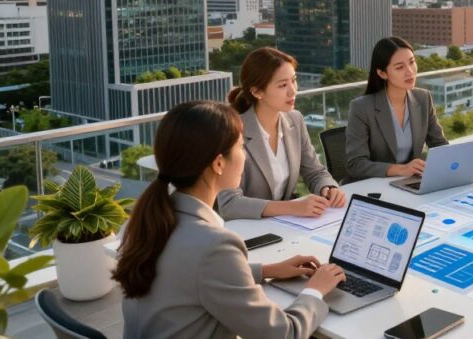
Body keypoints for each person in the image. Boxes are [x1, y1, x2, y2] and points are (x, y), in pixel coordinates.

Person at [114, 101, 346, 339]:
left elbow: (188, 274)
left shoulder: (151, 221)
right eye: (241, 147)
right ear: (218, 163)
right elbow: (283, 334)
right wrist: (315, 291)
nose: (244, 155)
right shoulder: (214, 245)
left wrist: (267, 270)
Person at [217, 48, 344, 220]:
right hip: (248, 231)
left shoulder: (295, 120)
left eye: (294, 81)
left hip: (285, 227)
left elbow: (314, 172)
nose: (293, 91)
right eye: (283, 85)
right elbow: (229, 204)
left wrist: (328, 188)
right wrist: (291, 207)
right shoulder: (232, 131)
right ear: (257, 92)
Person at [345, 37, 449, 181]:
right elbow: (356, 164)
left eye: (412, 62)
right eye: (399, 67)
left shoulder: (423, 98)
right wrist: (401, 169)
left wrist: (455, 164)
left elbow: (439, 145)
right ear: (382, 73)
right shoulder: (361, 108)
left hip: (410, 182)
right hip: (374, 186)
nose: (410, 72)